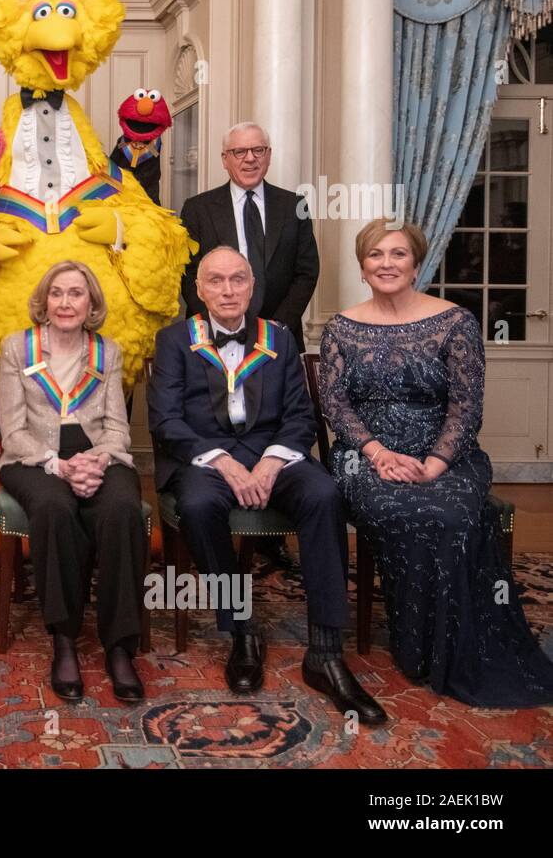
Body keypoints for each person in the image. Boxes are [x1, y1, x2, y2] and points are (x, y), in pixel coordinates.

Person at [148, 246, 386, 725]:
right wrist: (228, 465)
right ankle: (241, 630)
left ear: (252, 286)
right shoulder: (175, 340)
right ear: (199, 289)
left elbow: (300, 418)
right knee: (196, 504)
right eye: (216, 281)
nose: (228, 290)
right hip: (208, 458)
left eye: (238, 279)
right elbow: (166, 421)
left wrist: (269, 465)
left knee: (324, 494)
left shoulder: (277, 338)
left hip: (274, 455)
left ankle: (324, 649)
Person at [318, 220, 553, 706]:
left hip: (448, 455)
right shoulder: (341, 326)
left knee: (448, 514)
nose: (387, 263)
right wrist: (378, 453)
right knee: (401, 510)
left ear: (416, 264)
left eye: (398, 254)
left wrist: (435, 464)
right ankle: (416, 645)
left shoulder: (455, 322)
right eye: (376, 255)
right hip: (366, 456)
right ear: (362, 267)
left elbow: (467, 405)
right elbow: (336, 405)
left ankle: (447, 647)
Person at [0, 261, 147, 703]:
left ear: (91, 302)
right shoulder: (16, 348)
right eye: (57, 293)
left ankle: (120, 646)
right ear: (43, 301)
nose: (66, 302)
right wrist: (57, 465)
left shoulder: (108, 352)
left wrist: (95, 462)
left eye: (76, 293)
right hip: (32, 456)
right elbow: (13, 430)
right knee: (54, 507)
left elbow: (119, 429)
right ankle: (64, 639)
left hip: (98, 453)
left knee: (121, 509)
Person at [177, 121, 318, 571]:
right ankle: (223, 545)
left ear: (269, 154)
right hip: (213, 340)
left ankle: (271, 537)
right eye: (240, 152)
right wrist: (213, 321)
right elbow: (187, 275)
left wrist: (275, 325)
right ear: (225, 159)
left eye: (258, 150)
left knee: (273, 424)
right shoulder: (198, 207)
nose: (250, 158)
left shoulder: (293, 206)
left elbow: (305, 271)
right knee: (219, 424)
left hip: (273, 340)